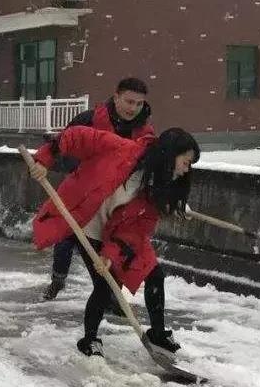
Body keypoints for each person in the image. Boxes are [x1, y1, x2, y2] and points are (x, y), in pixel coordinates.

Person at [28, 126, 200, 357]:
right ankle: (89, 339)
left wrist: (111, 254)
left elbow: (136, 229)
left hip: (119, 232)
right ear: (170, 154)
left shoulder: (157, 185)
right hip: (88, 223)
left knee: (154, 274)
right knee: (105, 284)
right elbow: (77, 136)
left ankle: (157, 335)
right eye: (186, 162)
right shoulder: (120, 148)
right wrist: (45, 158)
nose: (186, 169)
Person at [41, 77, 155, 300]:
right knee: (66, 238)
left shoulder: (144, 133)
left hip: (114, 200)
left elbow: (147, 166)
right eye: (129, 102)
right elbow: (66, 142)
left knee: (107, 246)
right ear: (116, 97)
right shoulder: (90, 119)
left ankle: (110, 296)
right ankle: (58, 280)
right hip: (82, 193)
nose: (133, 108)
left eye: (139, 104)